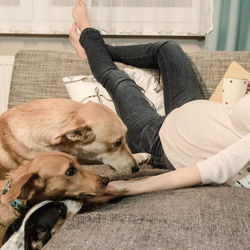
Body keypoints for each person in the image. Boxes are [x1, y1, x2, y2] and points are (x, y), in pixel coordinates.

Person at [70, 0, 250, 197]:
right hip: (191, 108)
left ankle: (89, 38)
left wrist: (130, 187)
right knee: (168, 49)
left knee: (118, 80)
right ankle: (96, 50)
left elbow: (213, 169)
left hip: (161, 141)